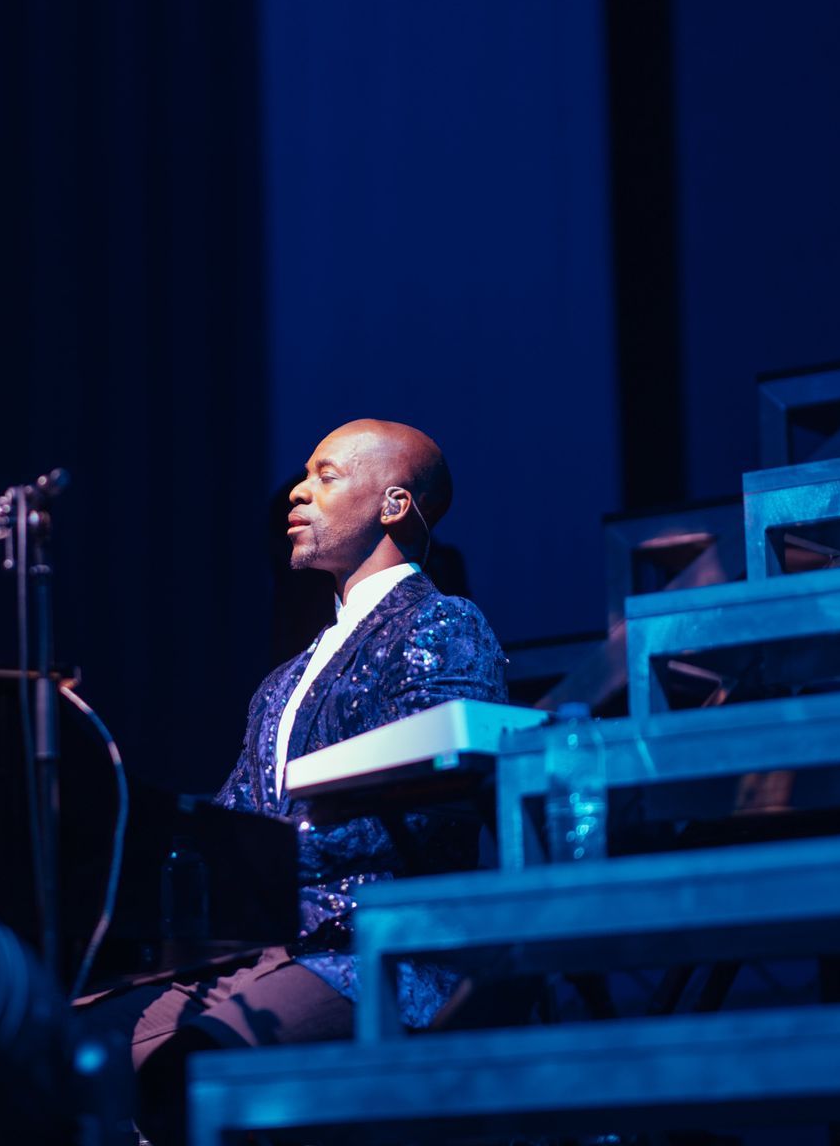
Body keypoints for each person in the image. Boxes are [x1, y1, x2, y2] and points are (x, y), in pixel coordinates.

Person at [86, 418, 508, 1145]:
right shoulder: (283, 682)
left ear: (394, 504)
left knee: (196, 1067)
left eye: (325, 476)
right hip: (268, 949)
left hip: (374, 949)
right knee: (77, 1051)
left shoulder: (442, 624)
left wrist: (270, 868)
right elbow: (234, 823)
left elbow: (438, 806)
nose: (298, 493)